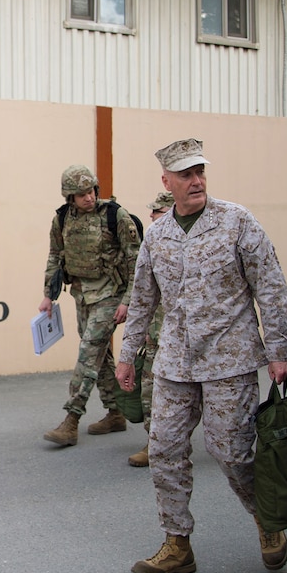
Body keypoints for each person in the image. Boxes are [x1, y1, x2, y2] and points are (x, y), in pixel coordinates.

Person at [115, 138, 287, 573]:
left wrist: (278, 351)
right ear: (167, 181)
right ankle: (177, 544)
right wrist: (127, 354)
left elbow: (269, 286)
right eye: (185, 175)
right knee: (164, 450)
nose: (196, 181)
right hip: (174, 361)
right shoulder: (156, 235)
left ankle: (267, 520)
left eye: (199, 172)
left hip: (228, 358)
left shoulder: (236, 221)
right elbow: (141, 299)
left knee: (231, 451)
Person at [39, 164, 141, 446]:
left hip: (110, 295)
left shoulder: (114, 215)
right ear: (69, 197)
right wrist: (49, 294)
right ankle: (115, 412)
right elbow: (55, 256)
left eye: (91, 191)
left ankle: (71, 419)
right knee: (99, 357)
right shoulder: (62, 219)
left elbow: (137, 262)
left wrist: (128, 301)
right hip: (81, 294)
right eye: (81, 194)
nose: (89, 197)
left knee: (88, 353)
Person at [125, 191, 173, 468]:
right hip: (155, 337)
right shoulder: (151, 248)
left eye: (159, 213)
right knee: (149, 391)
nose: (153, 218)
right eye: (153, 214)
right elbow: (142, 294)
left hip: (187, 341)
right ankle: (154, 443)